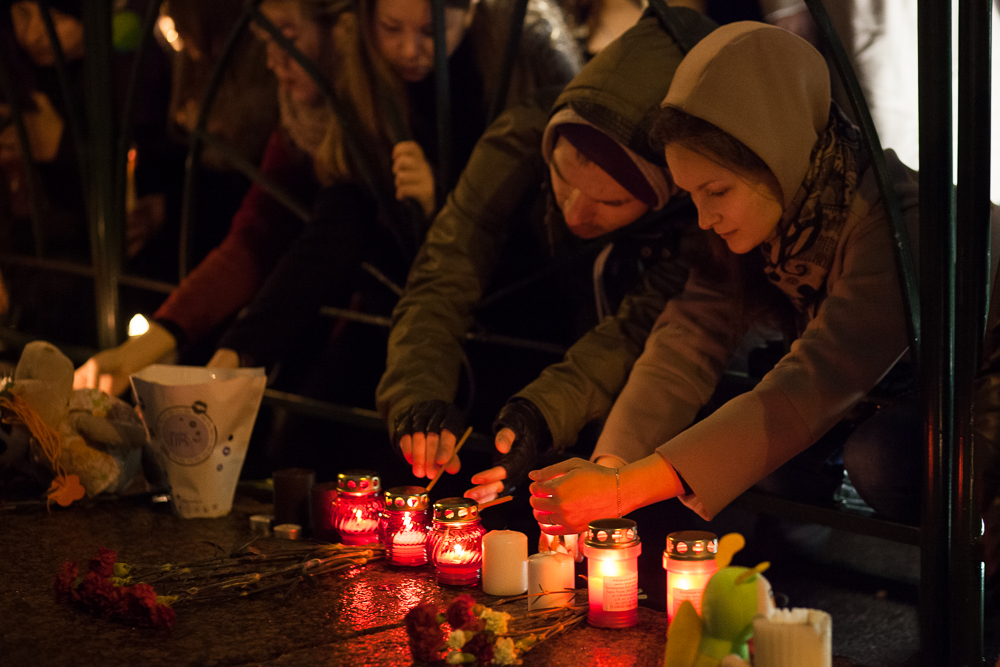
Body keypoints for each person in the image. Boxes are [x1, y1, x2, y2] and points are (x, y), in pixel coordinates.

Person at [526, 22, 991, 534]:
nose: (704, 219)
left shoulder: (903, 227)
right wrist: (612, 466)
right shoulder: (774, 216)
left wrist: (627, 488)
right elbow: (686, 341)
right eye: (692, 195)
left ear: (776, 155)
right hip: (894, 391)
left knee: (881, 457)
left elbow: (818, 380)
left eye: (716, 192)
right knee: (761, 458)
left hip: (978, 393)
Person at [377, 10, 717, 489]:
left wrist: (539, 417)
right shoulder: (523, 135)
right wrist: (418, 397)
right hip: (530, 335)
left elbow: (635, 333)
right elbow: (447, 267)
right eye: (562, 178)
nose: (577, 214)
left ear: (668, 192)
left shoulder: (698, 215)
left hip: (656, 405)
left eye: (611, 202)